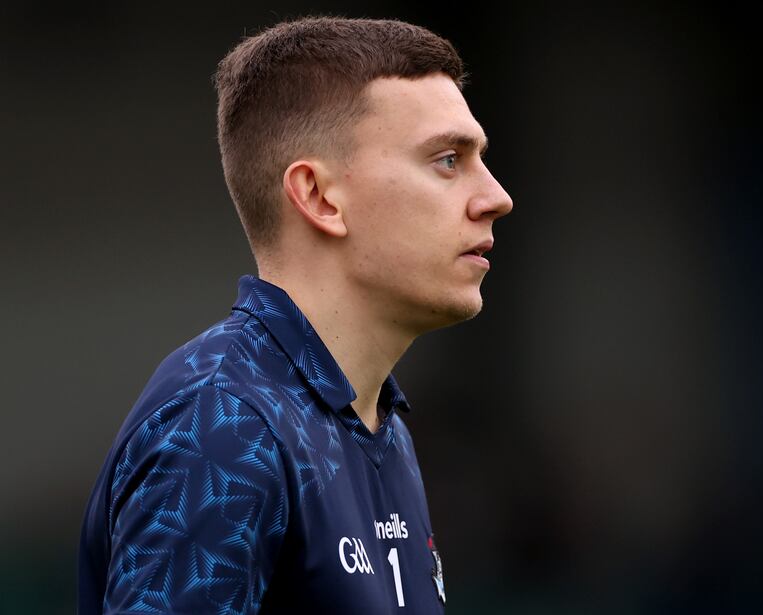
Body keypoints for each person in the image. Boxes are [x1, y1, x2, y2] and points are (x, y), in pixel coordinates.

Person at [78, 14, 512, 614]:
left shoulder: (381, 428)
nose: (496, 197)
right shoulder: (223, 428)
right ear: (318, 196)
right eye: (447, 160)